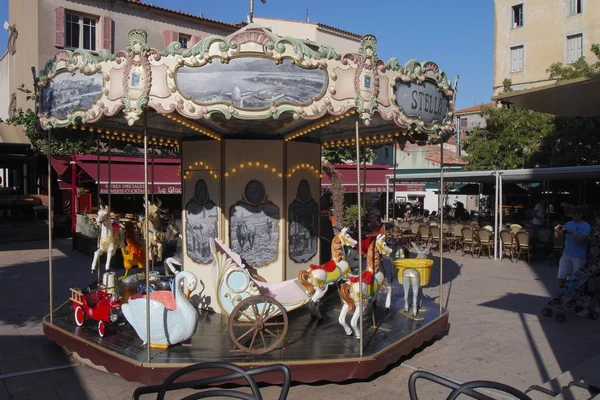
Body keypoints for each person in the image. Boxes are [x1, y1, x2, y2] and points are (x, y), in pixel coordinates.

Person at [553, 206, 591, 302]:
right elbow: (558, 237)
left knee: (577, 279)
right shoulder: (568, 224)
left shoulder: (586, 226)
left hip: (579, 256)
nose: (572, 216)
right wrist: (556, 230)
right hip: (566, 254)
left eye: (574, 214)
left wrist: (570, 232)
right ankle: (557, 296)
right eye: (572, 214)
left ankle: (575, 298)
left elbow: (581, 240)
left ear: (581, 215)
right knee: (561, 276)